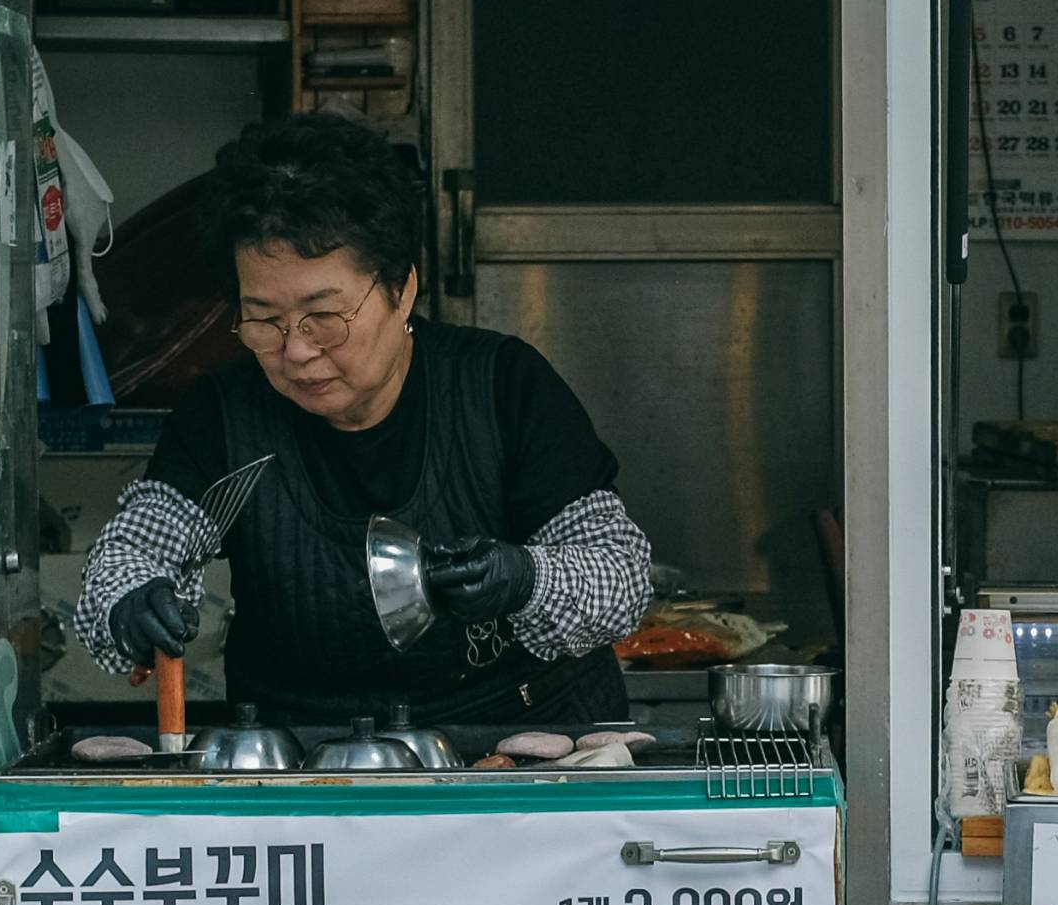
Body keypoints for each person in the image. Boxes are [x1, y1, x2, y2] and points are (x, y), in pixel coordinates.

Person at [66, 113, 654, 736]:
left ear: (402, 290)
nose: (295, 351)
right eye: (263, 319)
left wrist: (525, 578)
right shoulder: (224, 415)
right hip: (303, 761)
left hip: (519, 744)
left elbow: (619, 576)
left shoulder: (503, 387)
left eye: (323, 316)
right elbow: (133, 553)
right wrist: (131, 606)